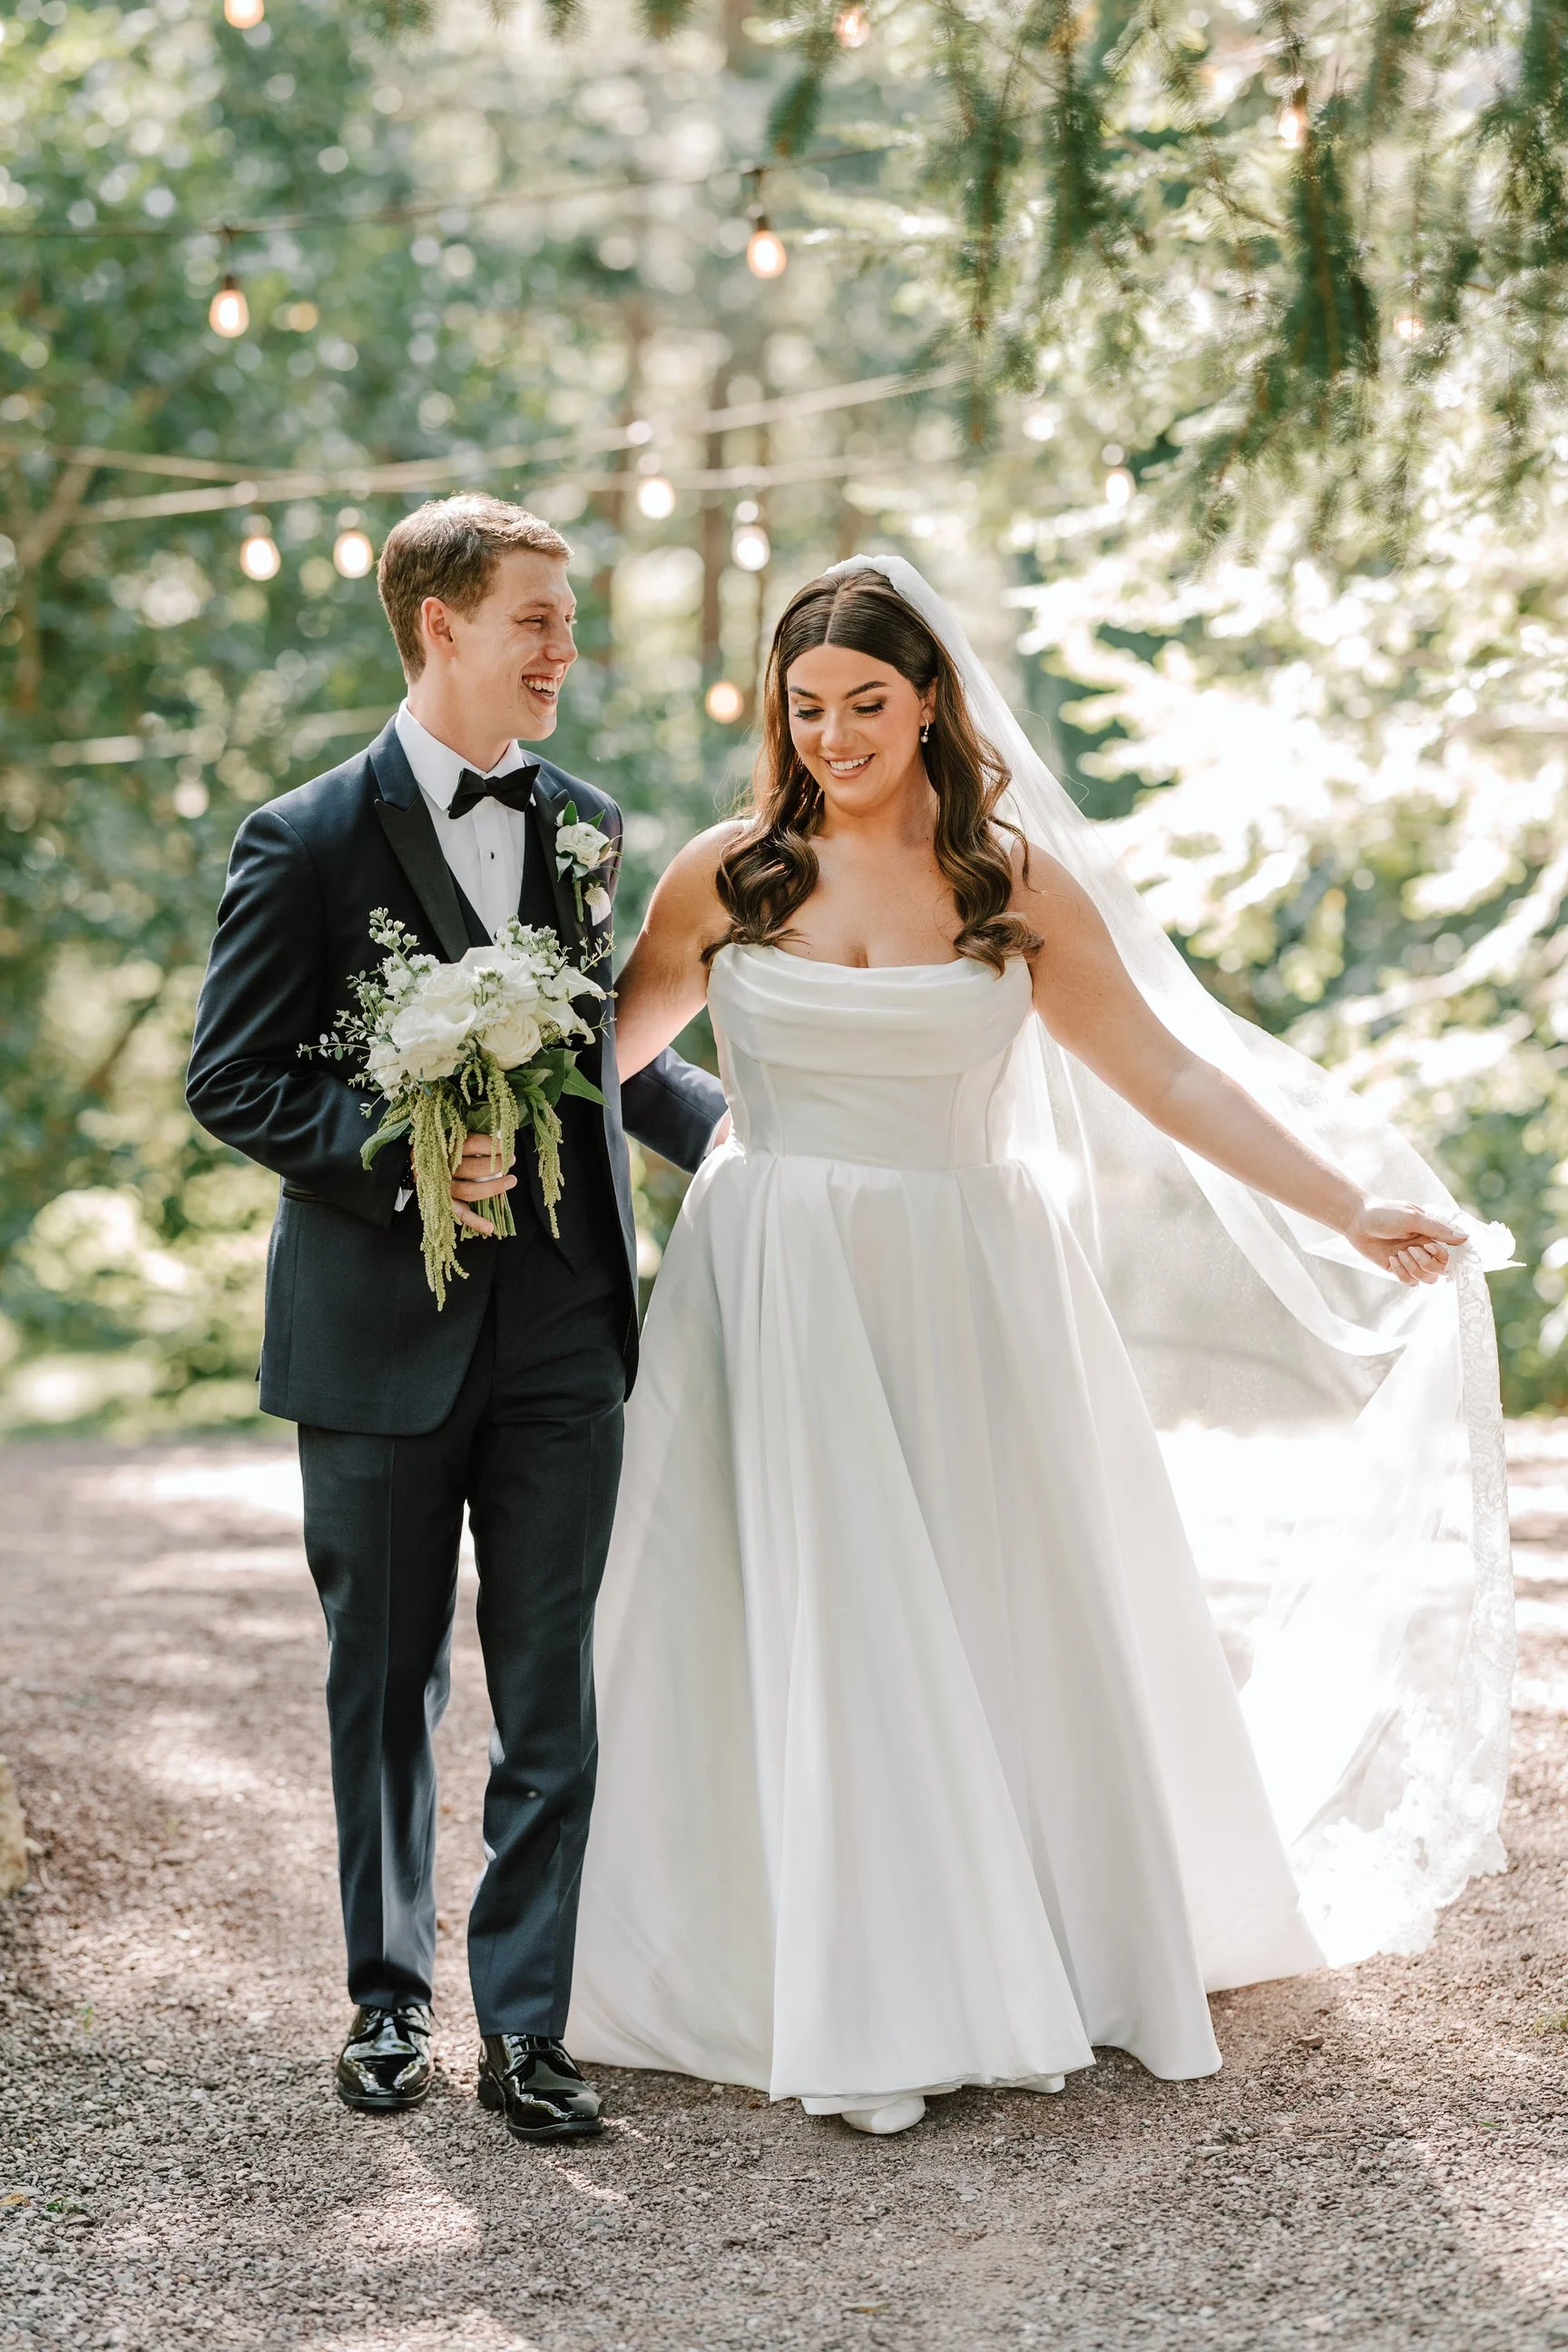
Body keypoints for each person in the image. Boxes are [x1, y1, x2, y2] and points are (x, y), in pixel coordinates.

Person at [564, 556, 1512, 2137]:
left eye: (866, 703)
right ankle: (806, 1966)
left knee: (978, 1595)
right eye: (807, 710)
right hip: (773, 1277)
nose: (836, 737)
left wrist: (1353, 1207)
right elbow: (598, 1062)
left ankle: (1011, 1944)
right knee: (805, 1602)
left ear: (928, 699)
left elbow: (1171, 1079)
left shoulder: (1009, 882)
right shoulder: (726, 876)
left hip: (964, 1281)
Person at [186, 495, 726, 2143]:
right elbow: (232, 1078)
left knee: (553, 1686)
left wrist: (768, 1149)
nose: (568, 650)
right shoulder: (305, 838)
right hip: (375, 1338)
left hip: (565, 1324)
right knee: (386, 1685)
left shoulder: (584, 822)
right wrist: (400, 1156)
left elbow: (601, 1056)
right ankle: (382, 2004)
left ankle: (532, 2029)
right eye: (537, 622)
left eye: (569, 620)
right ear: (442, 628)